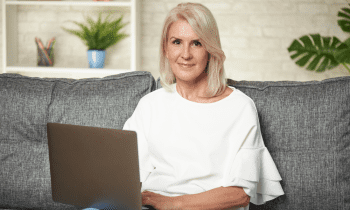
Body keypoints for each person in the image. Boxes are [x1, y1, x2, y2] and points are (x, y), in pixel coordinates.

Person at [85, 2, 284, 210]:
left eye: (196, 43)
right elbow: (125, 176)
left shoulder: (240, 107)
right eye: (177, 42)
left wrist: (172, 203)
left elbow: (240, 194)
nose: (186, 54)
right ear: (166, 48)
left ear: (210, 49)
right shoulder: (150, 105)